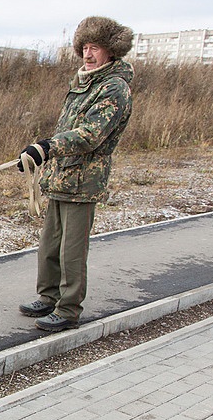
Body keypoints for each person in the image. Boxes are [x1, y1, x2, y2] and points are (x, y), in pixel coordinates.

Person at [17, 16, 135, 332]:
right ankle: (48, 297)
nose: (88, 54)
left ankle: (68, 311)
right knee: (50, 246)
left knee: (72, 251)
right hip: (60, 177)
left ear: (111, 51)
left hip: (85, 181)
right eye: (84, 47)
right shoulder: (83, 82)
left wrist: (47, 147)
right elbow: (65, 129)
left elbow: (89, 135)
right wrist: (39, 155)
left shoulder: (114, 88)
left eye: (94, 47)